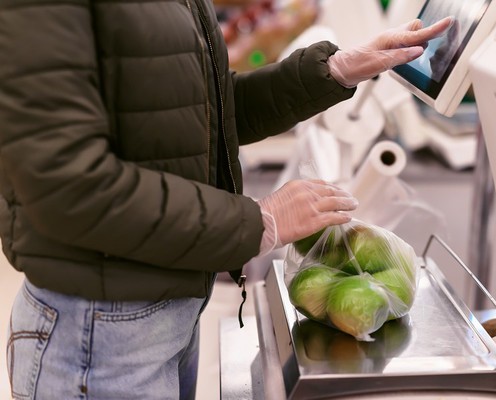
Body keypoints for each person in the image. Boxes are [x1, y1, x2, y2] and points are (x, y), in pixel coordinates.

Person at [0, 1, 452, 398]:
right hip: (99, 337)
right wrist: (257, 221)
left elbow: (204, 114)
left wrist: (331, 72)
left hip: (168, 309)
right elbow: (69, 185)